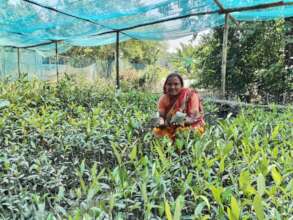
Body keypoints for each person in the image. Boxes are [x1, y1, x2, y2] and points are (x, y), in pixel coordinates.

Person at [153, 72, 205, 140]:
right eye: (169, 84)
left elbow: (193, 118)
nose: (172, 87)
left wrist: (175, 118)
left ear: (181, 85)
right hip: (171, 127)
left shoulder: (190, 95)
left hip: (191, 127)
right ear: (165, 86)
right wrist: (159, 121)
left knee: (184, 133)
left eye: (176, 84)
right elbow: (161, 117)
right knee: (157, 132)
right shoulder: (163, 99)